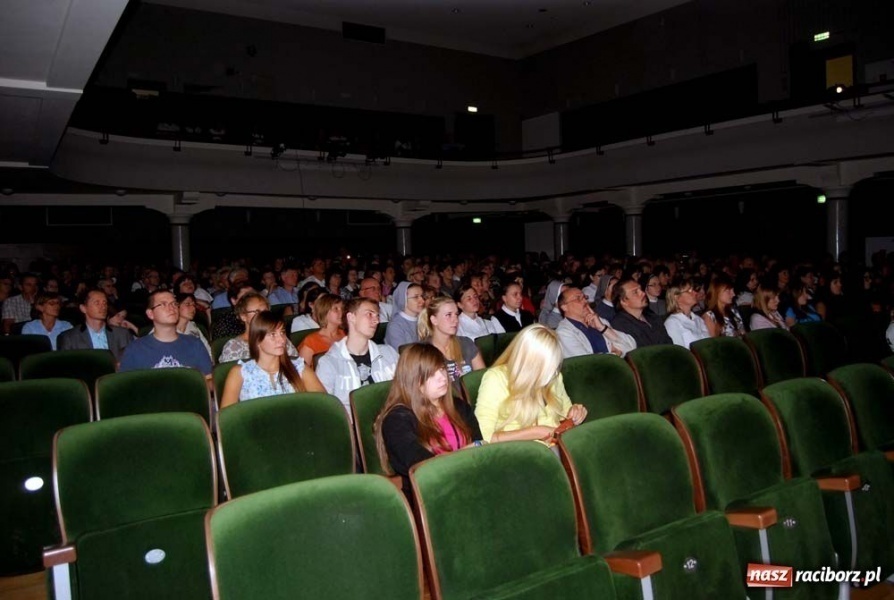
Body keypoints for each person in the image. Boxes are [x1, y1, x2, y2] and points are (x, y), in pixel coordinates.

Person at [375, 343, 483, 496]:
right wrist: (467, 452)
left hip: (469, 484)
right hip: (429, 496)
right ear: (414, 380)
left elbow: (481, 449)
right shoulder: (397, 420)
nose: (442, 377)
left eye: (442, 369)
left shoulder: (459, 406)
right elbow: (423, 467)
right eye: (431, 374)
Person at [475, 324, 587, 443]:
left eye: (554, 367)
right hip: (519, 452)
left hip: (556, 447)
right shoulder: (496, 379)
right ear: (529, 363)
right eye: (546, 368)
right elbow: (484, 438)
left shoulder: (554, 376)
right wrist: (534, 432)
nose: (552, 374)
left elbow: (566, 414)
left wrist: (575, 412)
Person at [220, 311, 324, 408]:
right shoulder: (240, 373)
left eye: (282, 333)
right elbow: (226, 418)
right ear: (257, 340)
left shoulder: (299, 368)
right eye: (273, 334)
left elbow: (324, 406)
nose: (281, 340)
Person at [316, 298, 399, 415]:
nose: (376, 321)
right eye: (369, 314)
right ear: (351, 317)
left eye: (377, 316)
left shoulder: (389, 353)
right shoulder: (329, 363)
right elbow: (325, 411)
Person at [118, 290, 213, 374]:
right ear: (150, 314)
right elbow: (127, 387)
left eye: (174, 304)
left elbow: (208, 380)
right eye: (163, 304)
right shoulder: (135, 349)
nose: (172, 308)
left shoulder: (194, 344)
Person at [418, 296, 485, 391]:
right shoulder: (423, 351)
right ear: (434, 320)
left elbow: (483, 379)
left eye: (456, 315)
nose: (455, 320)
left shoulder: (466, 343)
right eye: (448, 315)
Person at [555, 287, 635, 357]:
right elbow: (586, 362)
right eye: (578, 298)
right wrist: (614, 354)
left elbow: (631, 346)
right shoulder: (564, 332)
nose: (585, 301)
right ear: (564, 307)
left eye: (585, 297)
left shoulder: (598, 321)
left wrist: (602, 328)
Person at [220, 292, 298, 363]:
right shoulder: (235, 347)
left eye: (265, 311)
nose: (262, 315)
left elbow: (296, 364)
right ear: (243, 316)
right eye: (257, 312)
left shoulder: (279, 338)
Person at [57, 290, 133, 361]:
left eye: (105, 303)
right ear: (83, 308)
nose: (103, 307)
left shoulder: (123, 334)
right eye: (97, 303)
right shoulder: (69, 338)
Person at [610, 278, 673, 347]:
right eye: (635, 292)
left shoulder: (652, 316)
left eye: (641, 289)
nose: (643, 293)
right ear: (623, 301)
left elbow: (669, 343)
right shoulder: (620, 324)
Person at [148, 292, 212, 360]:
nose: (193, 308)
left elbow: (207, 351)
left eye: (194, 305)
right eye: (188, 304)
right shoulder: (164, 329)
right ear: (176, 306)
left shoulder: (193, 327)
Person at [297, 293, 345, 366]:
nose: (341, 312)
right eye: (336, 309)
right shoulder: (311, 342)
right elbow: (302, 373)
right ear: (324, 312)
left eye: (342, 309)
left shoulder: (346, 335)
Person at [663, 282, 711, 349]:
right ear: (676, 297)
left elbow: (709, 343)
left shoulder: (698, 319)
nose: (694, 293)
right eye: (689, 291)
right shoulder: (672, 323)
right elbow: (680, 352)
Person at [384, 281, 425, 350]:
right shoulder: (395, 326)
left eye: (422, 296)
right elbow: (404, 354)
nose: (422, 301)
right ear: (403, 300)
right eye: (416, 297)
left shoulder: (423, 320)